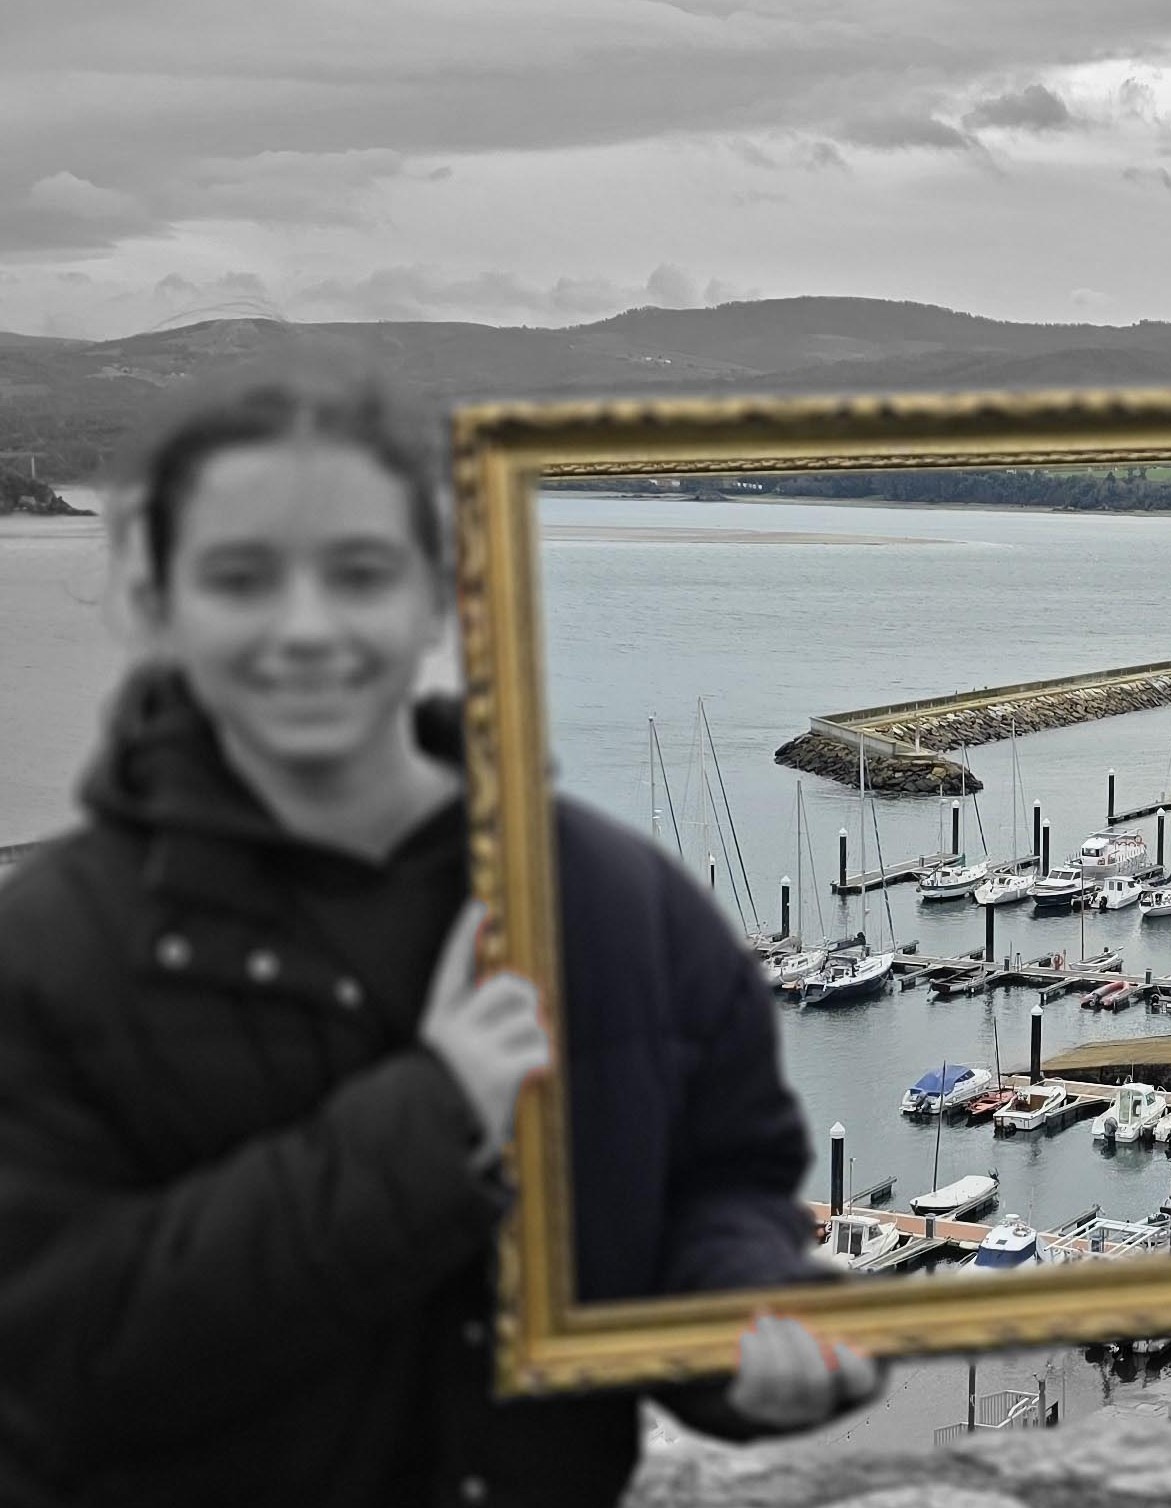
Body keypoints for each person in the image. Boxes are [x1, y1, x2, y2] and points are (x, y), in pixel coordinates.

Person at [0, 362, 880, 1508]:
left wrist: (743, 1326)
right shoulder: (46, 951)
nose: (306, 627)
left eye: (359, 573)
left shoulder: (618, 903)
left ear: (436, 594)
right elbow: (51, 1360)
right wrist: (434, 1113)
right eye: (241, 577)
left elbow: (720, 1186)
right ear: (156, 604)